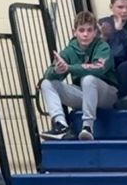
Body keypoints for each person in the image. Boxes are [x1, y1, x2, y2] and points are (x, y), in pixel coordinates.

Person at [39, 10, 119, 141]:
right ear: (74, 31)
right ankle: (61, 125)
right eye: (81, 30)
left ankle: (87, 126)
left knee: (88, 79)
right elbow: (48, 73)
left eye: (89, 30)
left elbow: (98, 68)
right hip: (84, 95)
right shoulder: (68, 50)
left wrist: (69, 68)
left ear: (95, 32)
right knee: (46, 83)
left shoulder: (103, 47)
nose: (85, 34)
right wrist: (57, 71)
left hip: (107, 94)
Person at [100, 0, 127, 96]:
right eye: (120, 7)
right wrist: (104, 37)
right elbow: (96, 48)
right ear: (111, 7)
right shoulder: (103, 23)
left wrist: (120, 31)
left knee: (125, 66)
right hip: (108, 61)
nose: (125, 11)